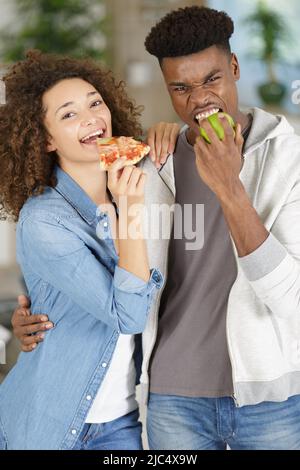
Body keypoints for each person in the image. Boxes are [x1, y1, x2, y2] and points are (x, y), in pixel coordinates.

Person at [11, 6, 300, 450]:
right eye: (181, 87)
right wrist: (36, 315)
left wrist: (229, 186)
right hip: (170, 398)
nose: (200, 98)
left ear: (236, 68)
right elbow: (120, 282)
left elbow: (292, 298)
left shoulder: (288, 158)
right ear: (168, 89)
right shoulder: (149, 162)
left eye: (212, 79)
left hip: (270, 397)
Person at [0, 50, 164, 450]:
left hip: (122, 422)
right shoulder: (45, 220)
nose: (91, 117)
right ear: (46, 139)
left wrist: (168, 133)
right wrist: (130, 213)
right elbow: (127, 315)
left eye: (95, 103)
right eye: (68, 114)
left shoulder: (139, 179)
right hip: (47, 424)